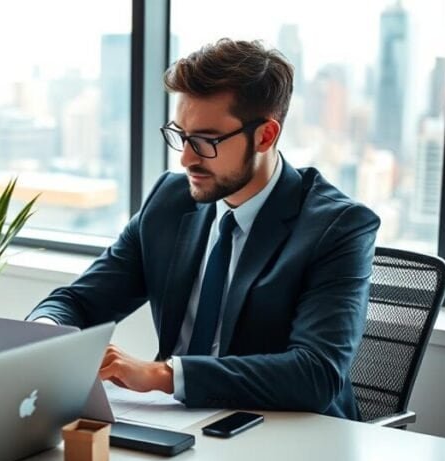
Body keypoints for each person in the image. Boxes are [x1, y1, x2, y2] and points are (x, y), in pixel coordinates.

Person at [26, 39, 380, 420]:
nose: (186, 157)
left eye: (206, 141)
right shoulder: (169, 201)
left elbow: (315, 374)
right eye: (181, 134)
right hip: (179, 426)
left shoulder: (338, 227)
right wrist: (45, 336)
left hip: (288, 436)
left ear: (265, 135)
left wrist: (165, 374)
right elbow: (79, 302)